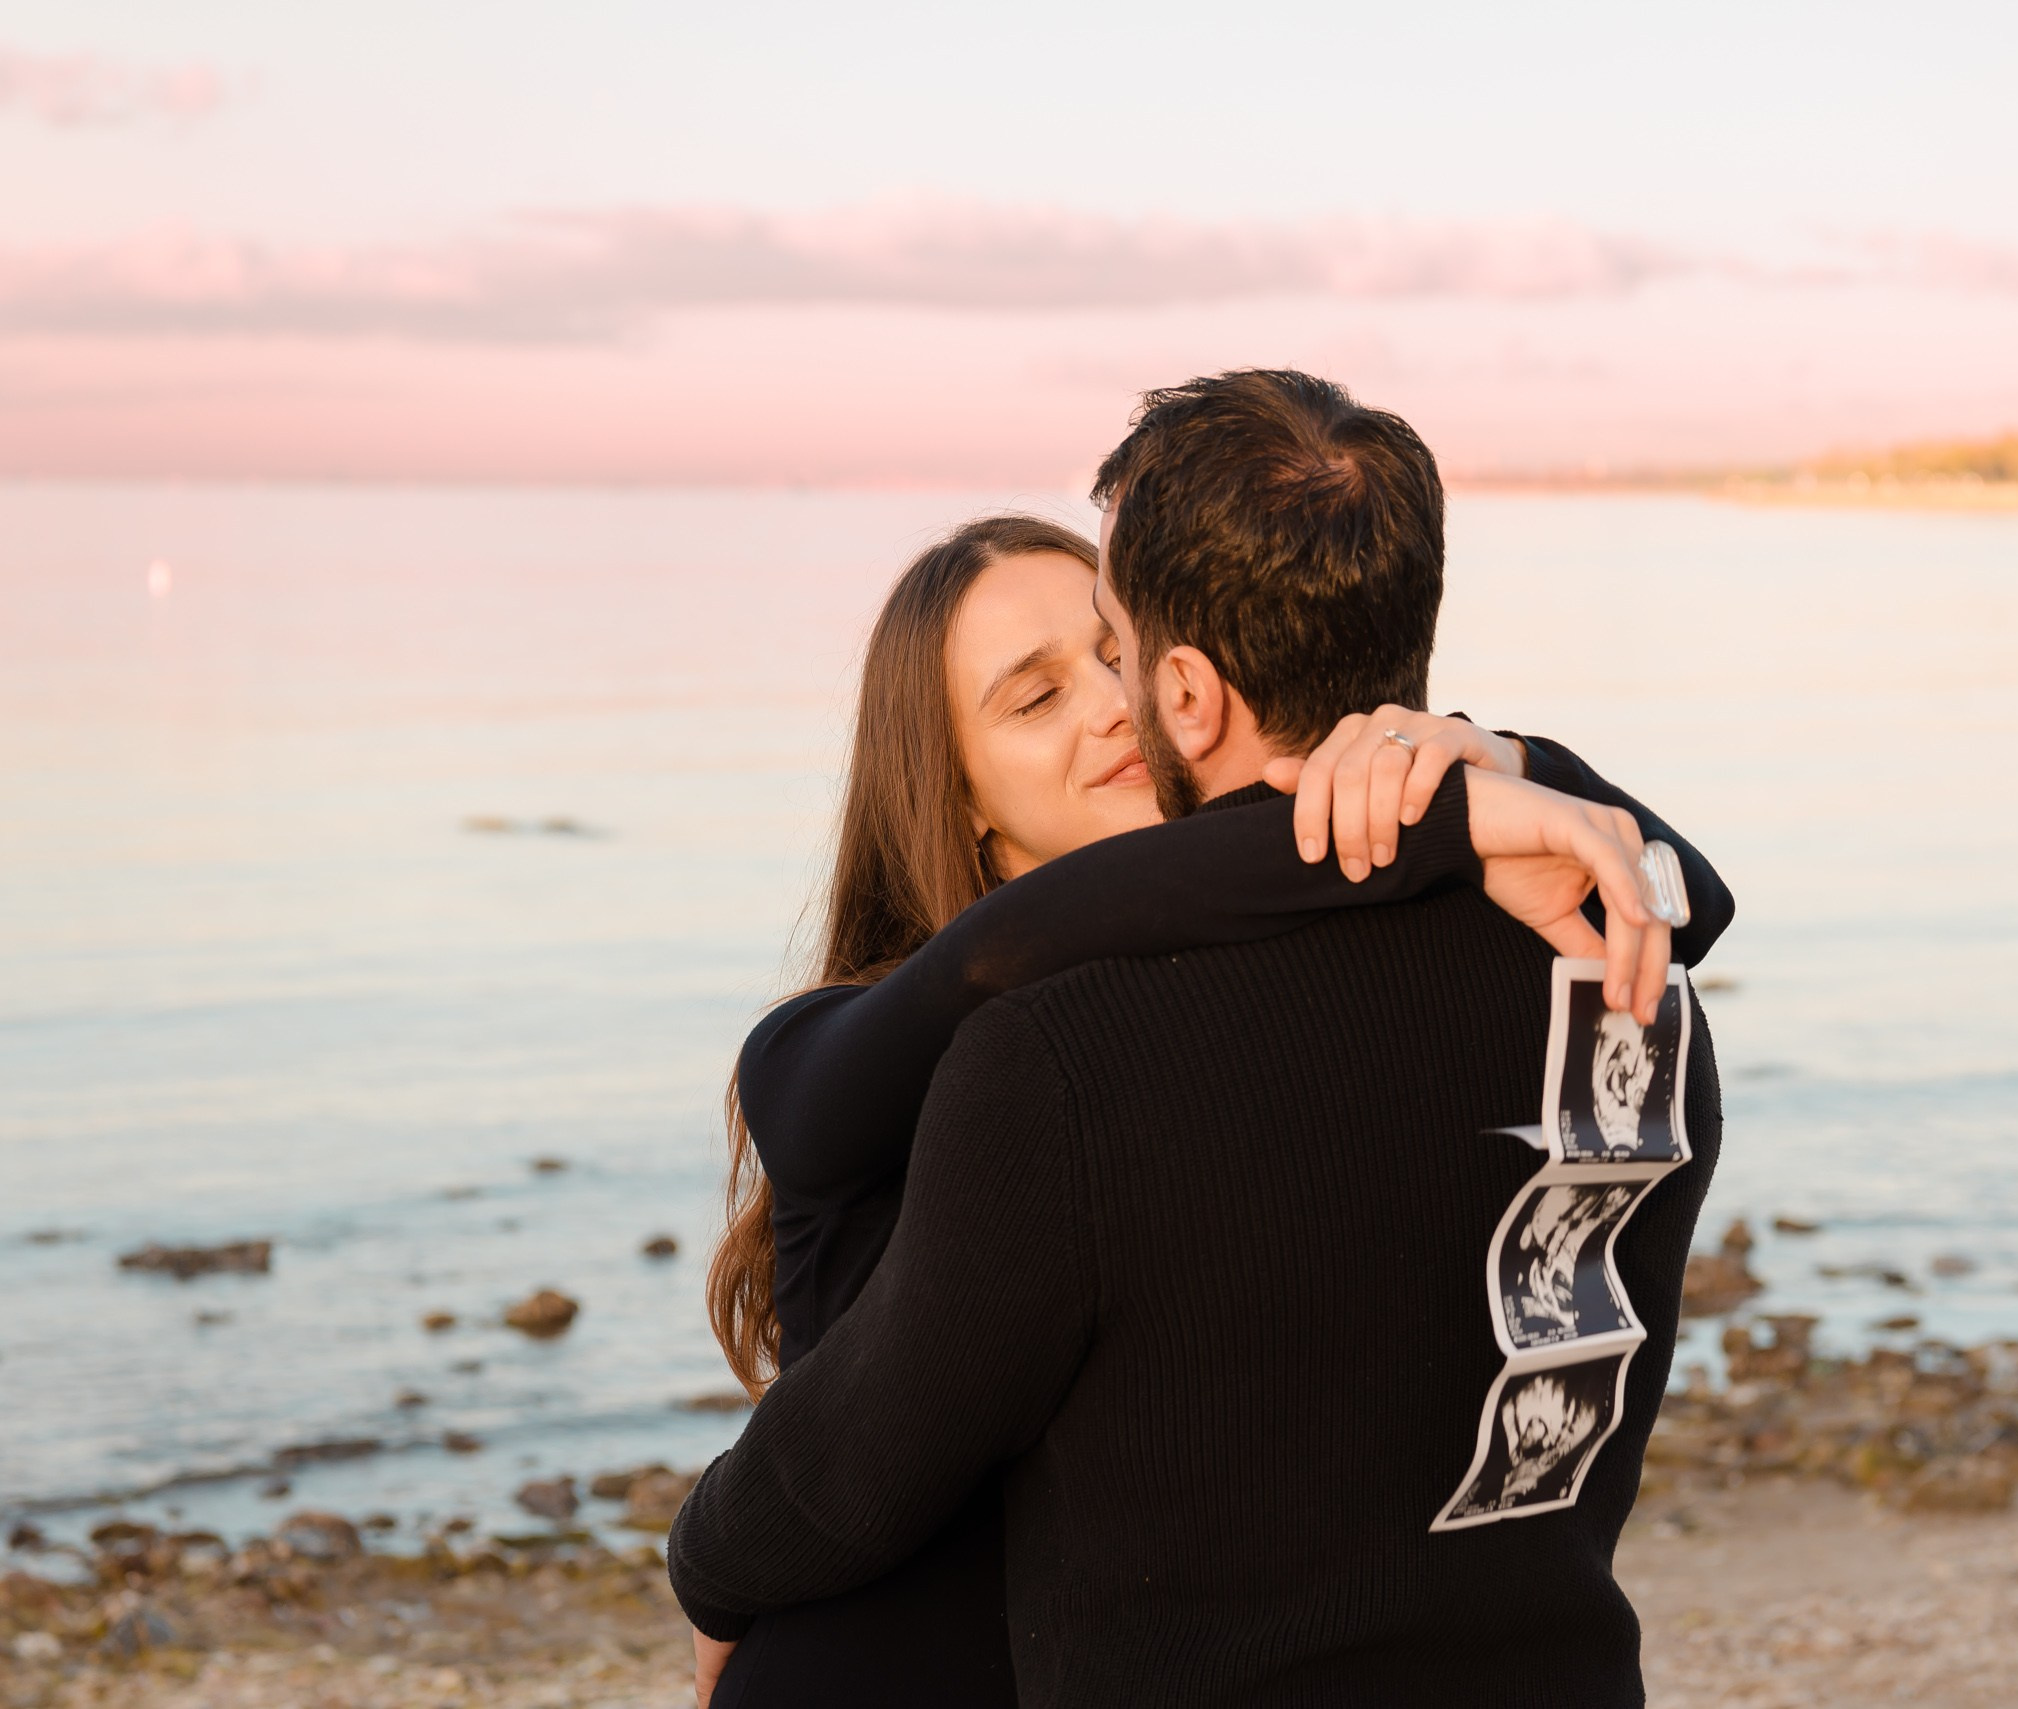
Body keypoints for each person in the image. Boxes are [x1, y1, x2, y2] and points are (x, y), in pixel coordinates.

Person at [674, 372, 1733, 1708]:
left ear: (1186, 692)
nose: (1108, 705)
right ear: (953, 790)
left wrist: (1489, 765)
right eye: (1036, 693)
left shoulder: (1117, 1051)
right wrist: (1451, 808)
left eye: (1109, 653)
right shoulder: (884, 1041)